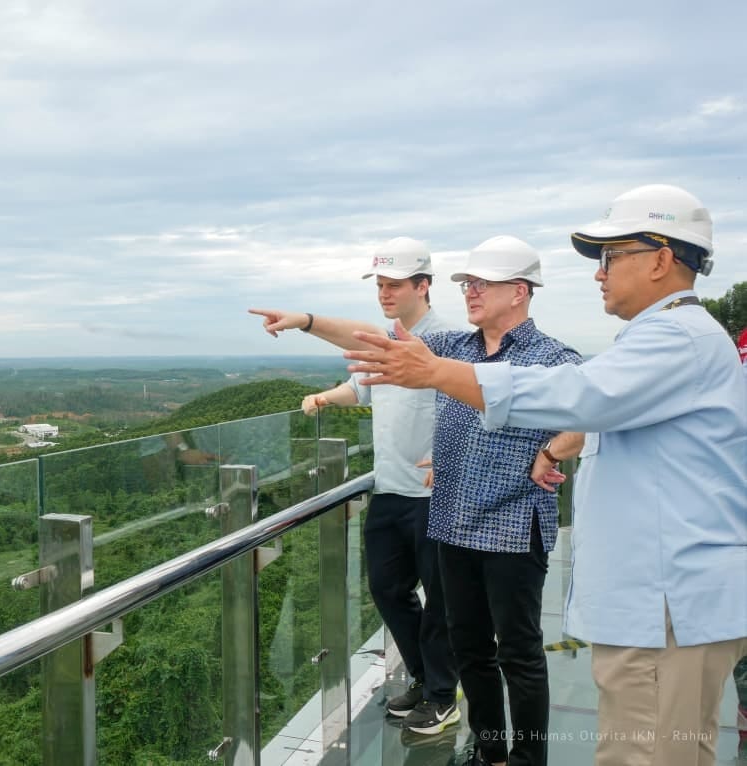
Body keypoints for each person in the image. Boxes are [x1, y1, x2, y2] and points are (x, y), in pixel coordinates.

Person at [343, 184, 747, 766]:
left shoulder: (676, 338)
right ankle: (492, 749)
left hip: (666, 610)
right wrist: (556, 449)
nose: (599, 274)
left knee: (644, 752)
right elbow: (608, 408)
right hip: (657, 608)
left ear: (660, 259)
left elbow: (579, 394)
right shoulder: (668, 339)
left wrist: (437, 373)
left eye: (611, 257)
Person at [253, 235, 583, 766]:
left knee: (518, 653)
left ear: (520, 292)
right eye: (467, 284)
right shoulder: (457, 349)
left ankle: (528, 760)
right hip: (452, 522)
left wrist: (549, 451)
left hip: (512, 524)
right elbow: (372, 338)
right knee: (471, 649)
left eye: (482, 284)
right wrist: (308, 320)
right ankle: (491, 752)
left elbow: (579, 423)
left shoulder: (551, 357)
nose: (470, 292)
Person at [255, 238, 461, 736]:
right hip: (391, 488)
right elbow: (363, 387)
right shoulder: (388, 338)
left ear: (423, 286)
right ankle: (423, 677)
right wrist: (326, 397)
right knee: (388, 589)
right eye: (381, 286)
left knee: (440, 600)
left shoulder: (446, 342)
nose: (385, 294)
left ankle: (442, 694)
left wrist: (306, 320)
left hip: (437, 493)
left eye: (395, 285)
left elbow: (360, 337)